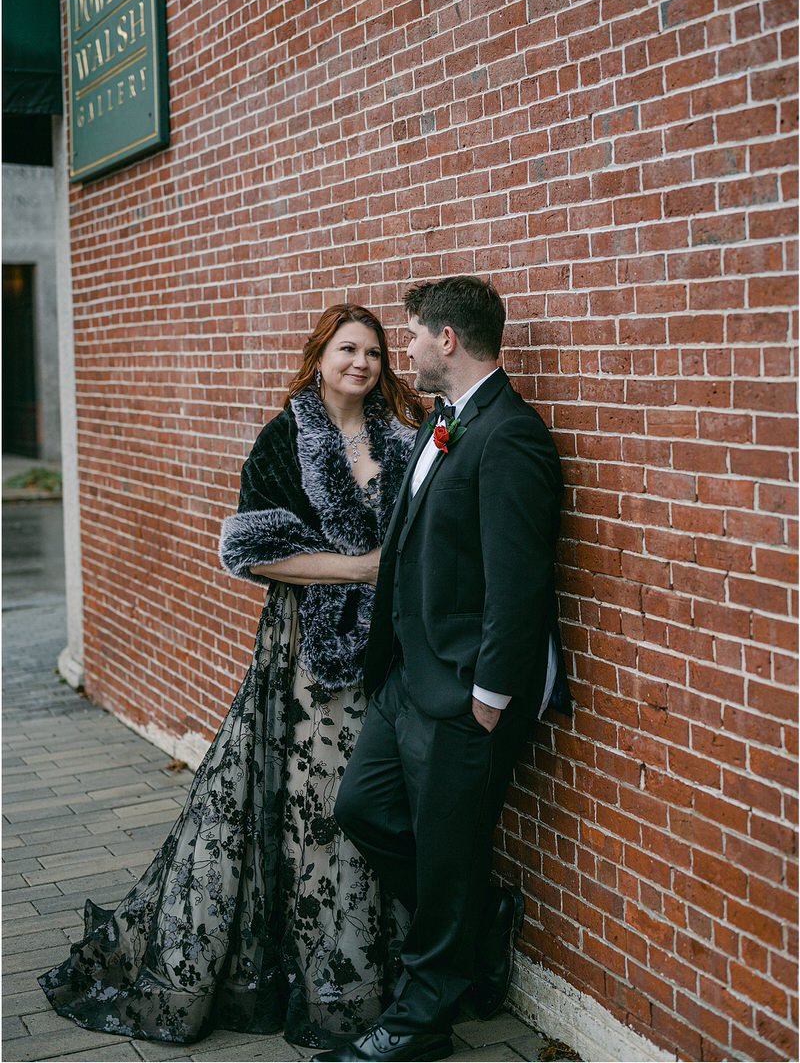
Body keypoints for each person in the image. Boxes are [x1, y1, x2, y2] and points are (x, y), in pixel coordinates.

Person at [38, 304, 426, 1050]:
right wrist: (362, 568)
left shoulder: (403, 442)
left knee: (368, 805)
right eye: (349, 349)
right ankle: (323, 985)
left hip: (383, 650)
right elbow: (249, 551)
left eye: (375, 352)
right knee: (309, 809)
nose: (363, 363)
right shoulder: (285, 438)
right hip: (305, 655)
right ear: (319, 356)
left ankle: (366, 970)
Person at [312, 276, 572, 1063]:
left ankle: (421, 1021)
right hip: (407, 682)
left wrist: (488, 700)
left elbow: (518, 581)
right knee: (362, 808)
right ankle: (477, 928)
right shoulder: (445, 423)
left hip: (464, 694)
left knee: (449, 849)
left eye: (416, 332)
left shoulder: (510, 435)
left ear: (449, 340)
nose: (409, 346)